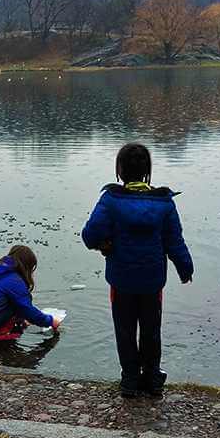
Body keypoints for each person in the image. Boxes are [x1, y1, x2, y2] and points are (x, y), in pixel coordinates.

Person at [81, 143, 193, 398]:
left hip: (121, 279)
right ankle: (153, 379)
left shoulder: (111, 200)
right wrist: (185, 268)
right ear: (147, 171)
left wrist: (103, 241)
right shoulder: (164, 203)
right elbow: (174, 241)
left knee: (125, 329)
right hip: (153, 279)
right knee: (152, 328)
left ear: (120, 170)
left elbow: (90, 236)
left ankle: (130, 380)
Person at [0, 245, 61, 341]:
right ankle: (0, 333)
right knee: (18, 304)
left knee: (8, 300)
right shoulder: (14, 281)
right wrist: (50, 321)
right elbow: (27, 309)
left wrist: (21, 321)